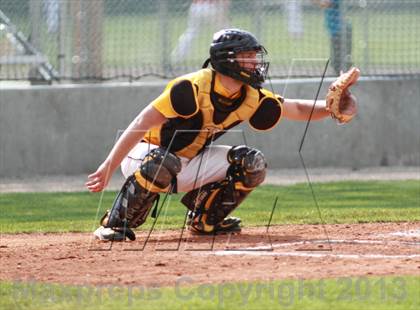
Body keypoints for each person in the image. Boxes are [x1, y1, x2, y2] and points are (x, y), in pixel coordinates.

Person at [86, 28, 357, 241]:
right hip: (146, 155)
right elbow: (141, 122)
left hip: (187, 162)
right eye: (248, 56)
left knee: (252, 163)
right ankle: (115, 222)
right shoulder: (191, 88)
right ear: (228, 60)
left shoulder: (249, 95)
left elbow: (295, 108)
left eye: (255, 56)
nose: (255, 63)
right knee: (165, 161)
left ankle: (205, 221)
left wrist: (332, 108)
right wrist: (108, 166)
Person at [170, 0, 230, 66]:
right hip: (211, 7)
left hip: (196, 7)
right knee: (226, 31)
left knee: (191, 32)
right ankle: (229, 55)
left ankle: (177, 57)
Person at [315, 0, 353, 74]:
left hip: (341, 30)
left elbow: (325, 3)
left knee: (341, 60)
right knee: (337, 60)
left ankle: (343, 77)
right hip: (336, 30)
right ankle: (342, 76)